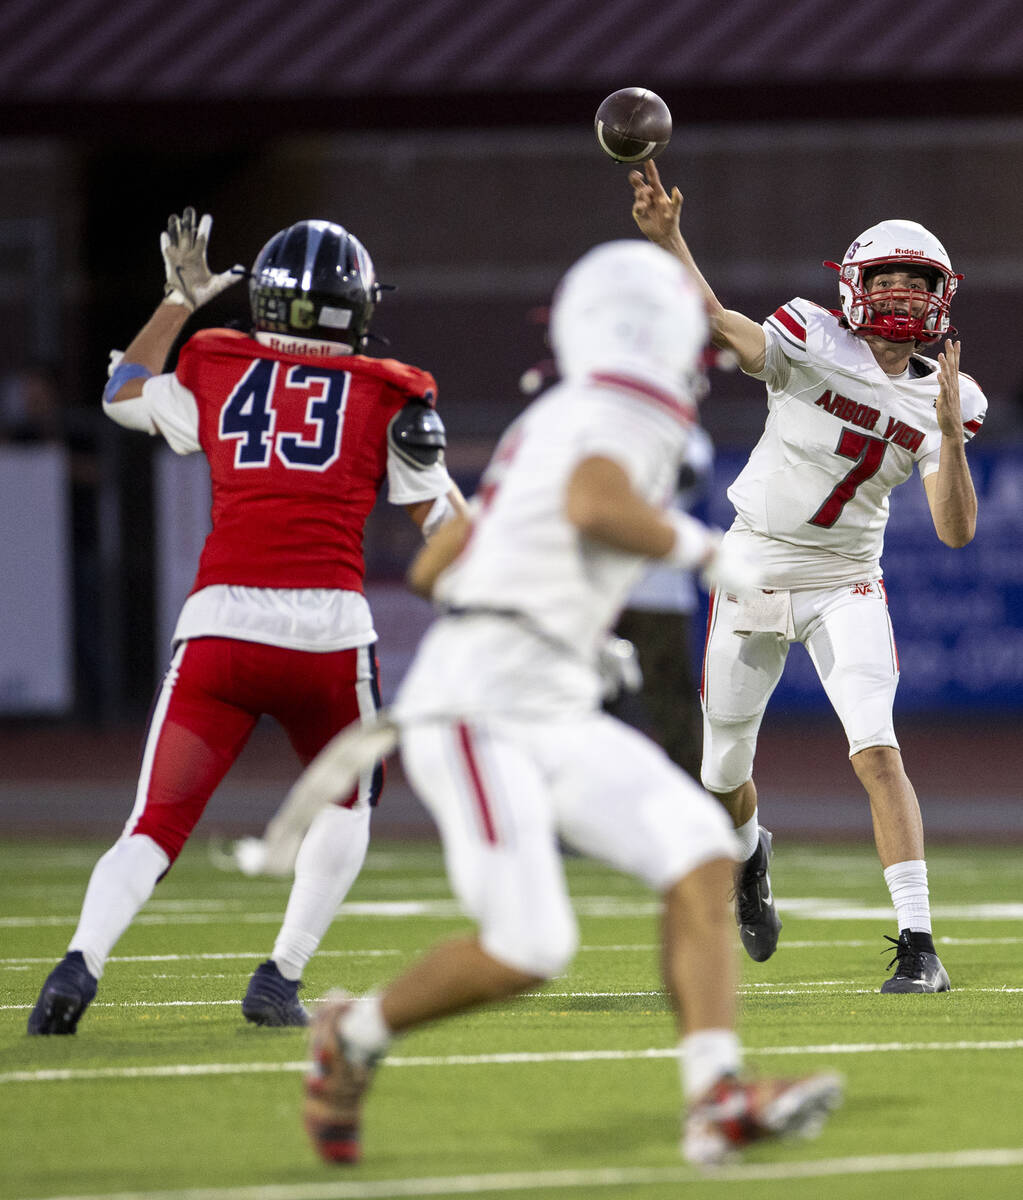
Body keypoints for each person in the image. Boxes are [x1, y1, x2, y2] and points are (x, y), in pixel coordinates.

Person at [299, 240, 842, 1169]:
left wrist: (567, 629)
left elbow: (438, 563)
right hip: (481, 707)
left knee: (702, 851)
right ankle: (352, 1035)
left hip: (537, 693)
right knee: (530, 943)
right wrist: (705, 552)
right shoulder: (634, 408)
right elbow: (594, 505)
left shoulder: (556, 409)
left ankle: (714, 1098)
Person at [28, 208, 465, 1035]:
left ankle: (79, 962)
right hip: (329, 643)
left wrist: (178, 301)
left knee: (154, 823)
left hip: (220, 630)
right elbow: (444, 525)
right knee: (349, 806)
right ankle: (279, 975)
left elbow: (121, 393)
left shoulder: (218, 363)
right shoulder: (393, 391)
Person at [629, 160, 986, 992]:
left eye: (915, 283)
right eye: (885, 281)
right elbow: (719, 322)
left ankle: (918, 943)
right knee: (720, 773)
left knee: (877, 750)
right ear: (854, 288)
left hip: (845, 578)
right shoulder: (808, 336)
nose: (900, 297)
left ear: (940, 296)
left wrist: (951, 439)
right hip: (752, 560)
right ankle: (751, 855)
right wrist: (671, 239)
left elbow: (955, 531)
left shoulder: (950, 397)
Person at [606, 423, 714, 779]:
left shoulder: (686, 436)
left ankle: (696, 806)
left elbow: (685, 476)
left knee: (674, 711)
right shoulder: (606, 425)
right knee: (596, 704)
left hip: (662, 599)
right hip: (605, 595)